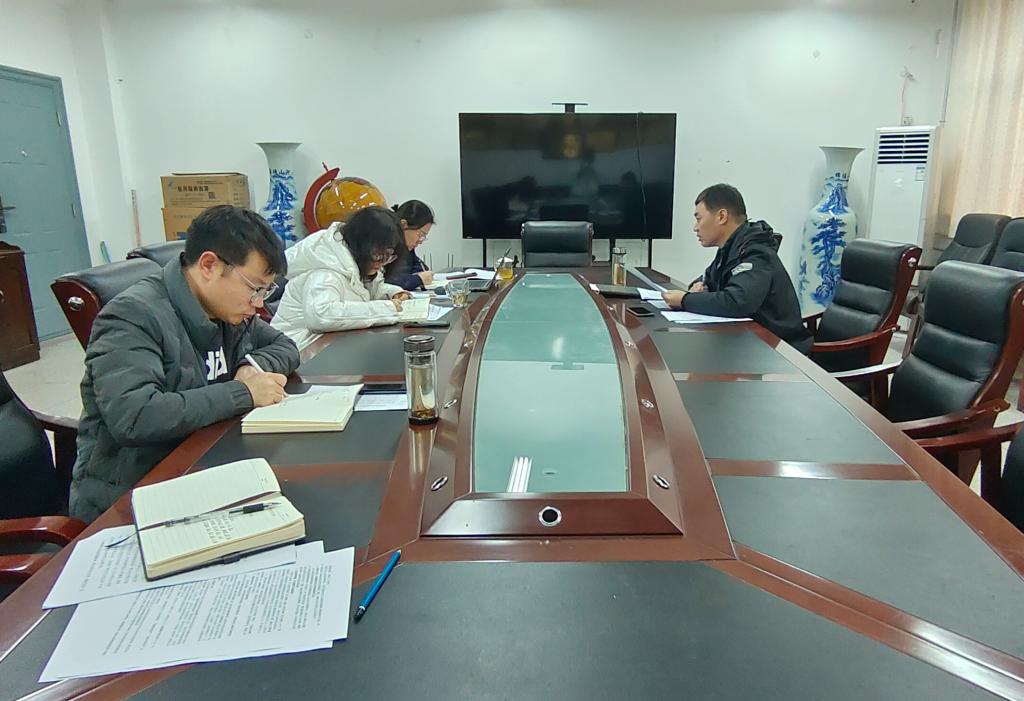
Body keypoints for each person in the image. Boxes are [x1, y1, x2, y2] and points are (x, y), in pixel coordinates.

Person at [71, 206, 300, 522]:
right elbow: (135, 416)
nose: (258, 303)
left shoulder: (227, 310)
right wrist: (244, 393)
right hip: (134, 496)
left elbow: (286, 347)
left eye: (265, 291)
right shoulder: (132, 316)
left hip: (204, 462)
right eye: (254, 288)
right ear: (209, 265)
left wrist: (252, 366)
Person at [661, 184, 812, 353]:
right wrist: (699, 287)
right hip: (746, 342)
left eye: (699, 218)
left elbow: (737, 301)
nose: (695, 227)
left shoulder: (756, 252)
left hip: (779, 350)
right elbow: (707, 279)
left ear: (722, 216)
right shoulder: (729, 248)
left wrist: (685, 300)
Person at [271, 206, 411, 349]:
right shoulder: (326, 269)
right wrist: (387, 308)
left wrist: (392, 293)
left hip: (326, 346)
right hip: (299, 350)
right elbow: (321, 315)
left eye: (389, 255)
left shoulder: (353, 262)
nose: (382, 262)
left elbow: (362, 291)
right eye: (378, 254)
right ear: (362, 245)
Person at [384, 200, 436, 290]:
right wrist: (418, 279)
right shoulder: (385, 245)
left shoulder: (407, 247)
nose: (420, 241)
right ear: (403, 224)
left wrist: (420, 274)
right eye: (420, 234)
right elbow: (385, 281)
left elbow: (416, 265)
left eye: (423, 237)